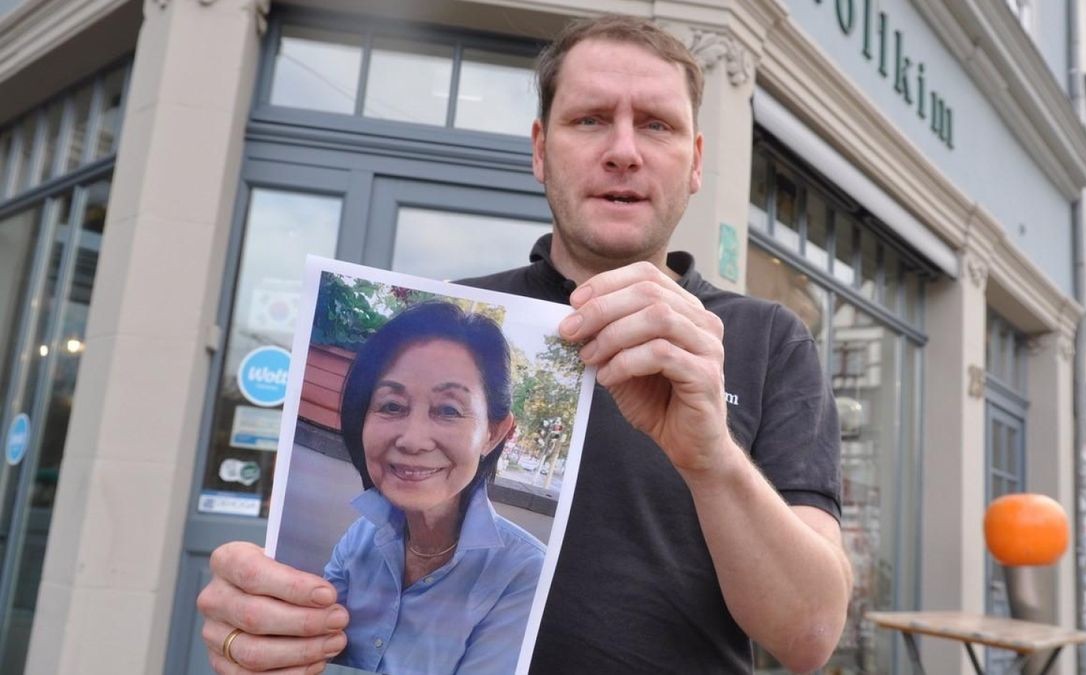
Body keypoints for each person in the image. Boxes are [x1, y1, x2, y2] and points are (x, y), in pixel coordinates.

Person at [197, 14, 852, 674]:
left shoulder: (769, 341)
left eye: (657, 124)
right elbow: (336, 629)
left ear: (697, 162)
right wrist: (266, 627)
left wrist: (712, 458)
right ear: (540, 149)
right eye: (590, 119)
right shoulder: (448, 323)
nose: (624, 149)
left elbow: (809, 635)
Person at [318, 301, 544, 673]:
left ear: (494, 433)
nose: (413, 440)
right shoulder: (360, 538)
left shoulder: (525, 574)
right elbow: (310, 651)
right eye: (391, 406)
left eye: (449, 410)